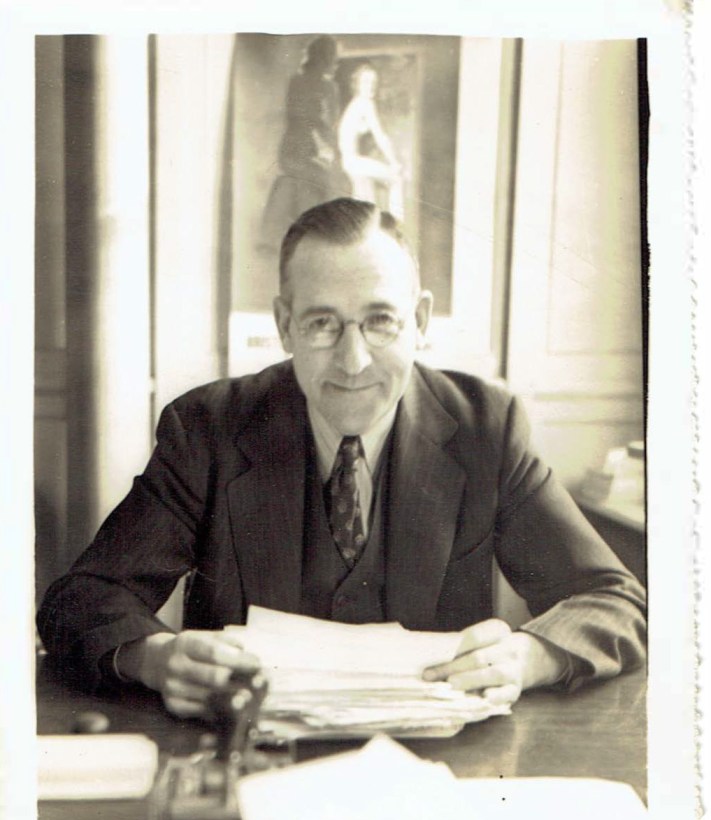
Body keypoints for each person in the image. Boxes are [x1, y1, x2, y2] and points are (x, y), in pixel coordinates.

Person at [38, 198, 646, 721]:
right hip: (247, 753)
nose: (353, 361)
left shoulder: (487, 427)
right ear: (284, 325)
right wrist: (154, 658)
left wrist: (531, 655)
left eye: (380, 321)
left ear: (421, 321)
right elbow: (81, 601)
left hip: (436, 772)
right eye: (323, 324)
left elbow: (615, 600)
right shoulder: (208, 429)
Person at [261, 35, 352, 250]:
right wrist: (325, 149)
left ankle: (300, 237)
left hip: (293, 150)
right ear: (326, 58)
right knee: (326, 186)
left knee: (310, 186)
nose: (335, 64)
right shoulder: (326, 87)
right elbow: (319, 122)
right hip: (307, 150)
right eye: (333, 58)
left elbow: (311, 120)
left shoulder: (297, 81)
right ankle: (315, 240)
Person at [338, 63, 404, 218]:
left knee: (366, 209)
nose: (371, 86)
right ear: (357, 85)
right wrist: (394, 162)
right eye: (366, 82)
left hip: (349, 163)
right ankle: (396, 223)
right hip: (353, 161)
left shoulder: (355, 105)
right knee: (396, 178)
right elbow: (380, 136)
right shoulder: (364, 103)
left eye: (374, 82)